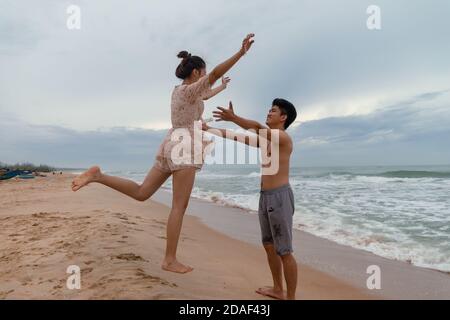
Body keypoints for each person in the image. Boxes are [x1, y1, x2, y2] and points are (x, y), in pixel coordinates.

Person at [71, 34, 255, 274]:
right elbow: (215, 74)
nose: (207, 76)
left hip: (171, 144)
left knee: (142, 192)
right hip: (185, 147)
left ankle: (98, 176)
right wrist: (240, 54)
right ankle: (169, 259)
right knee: (179, 206)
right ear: (198, 72)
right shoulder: (191, 91)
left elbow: (206, 93)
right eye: (205, 72)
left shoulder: (180, 91)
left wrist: (222, 87)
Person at [205, 98, 298, 299]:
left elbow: (255, 127)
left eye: (273, 111)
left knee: (285, 251)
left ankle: (291, 297)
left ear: (283, 117)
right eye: (269, 109)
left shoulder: (283, 138)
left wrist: (233, 117)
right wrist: (209, 129)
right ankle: (277, 289)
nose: (269, 113)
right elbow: (239, 138)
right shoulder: (268, 140)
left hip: (280, 197)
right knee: (269, 245)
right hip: (265, 197)